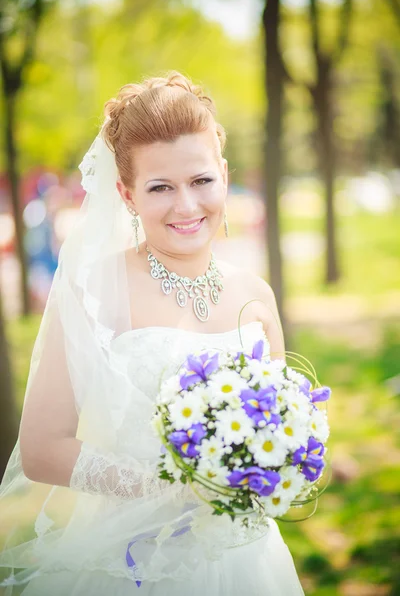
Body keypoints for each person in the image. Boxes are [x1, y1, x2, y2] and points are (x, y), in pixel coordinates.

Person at [0, 71, 305, 595]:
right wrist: (173, 489)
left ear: (225, 176)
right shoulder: (93, 290)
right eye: (160, 187)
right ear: (125, 193)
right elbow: (42, 449)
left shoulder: (257, 295)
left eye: (201, 181)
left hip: (249, 561)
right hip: (134, 563)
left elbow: (280, 425)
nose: (186, 206)